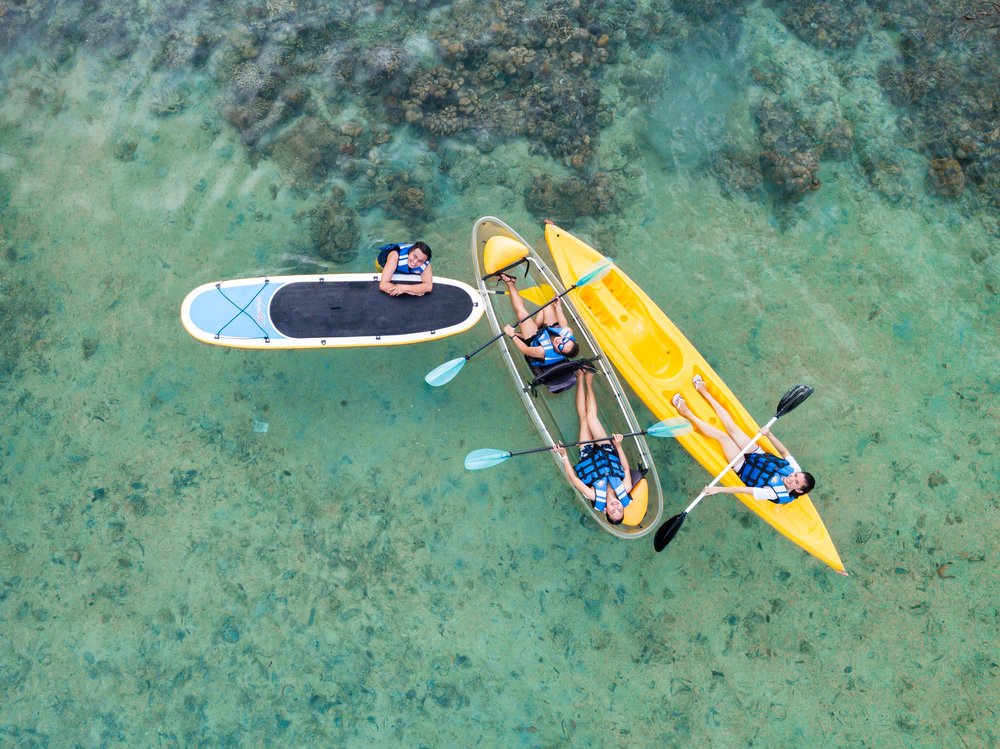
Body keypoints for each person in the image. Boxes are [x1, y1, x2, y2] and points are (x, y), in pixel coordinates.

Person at [672, 375, 815, 504]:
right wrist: (769, 435)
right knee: (732, 428)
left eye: (796, 482)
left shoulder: (774, 493)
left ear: (798, 490)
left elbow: (744, 490)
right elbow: (784, 452)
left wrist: (717, 489)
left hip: (743, 466)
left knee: (723, 437)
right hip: (757, 454)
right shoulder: (794, 469)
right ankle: (705, 393)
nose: (792, 477)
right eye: (795, 475)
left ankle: (686, 412)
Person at [554, 370, 634, 525]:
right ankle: (589, 382)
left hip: (587, 455)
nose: (616, 506)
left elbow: (574, 479)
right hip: (607, 450)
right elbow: (625, 468)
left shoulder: (594, 496)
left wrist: (564, 455)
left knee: (584, 419)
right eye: (620, 509)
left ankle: (580, 377)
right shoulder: (626, 488)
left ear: (605, 511)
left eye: (612, 511)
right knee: (591, 416)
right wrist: (618, 446)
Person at [499, 272, 579, 367]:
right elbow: (564, 326)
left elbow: (525, 350)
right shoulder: (568, 333)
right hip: (547, 331)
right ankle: (530, 328)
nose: (560, 341)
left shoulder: (542, 351)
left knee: (522, 313)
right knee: (548, 306)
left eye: (561, 346)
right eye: (565, 340)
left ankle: (510, 282)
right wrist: (558, 307)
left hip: (535, 340)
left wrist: (512, 335)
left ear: (559, 352)